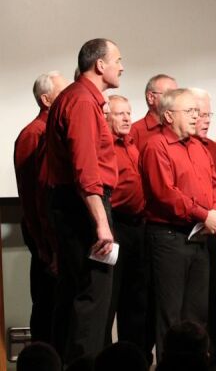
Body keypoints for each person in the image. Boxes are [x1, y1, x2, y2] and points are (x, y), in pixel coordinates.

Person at [46, 38, 123, 364]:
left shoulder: (80, 99)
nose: (121, 66)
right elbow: (85, 170)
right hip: (82, 207)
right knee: (92, 296)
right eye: (118, 60)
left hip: (76, 204)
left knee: (79, 294)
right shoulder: (79, 101)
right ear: (100, 64)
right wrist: (101, 223)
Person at [140, 88, 216, 359]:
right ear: (167, 115)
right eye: (189, 111)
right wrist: (204, 215)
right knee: (171, 313)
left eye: (197, 111)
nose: (196, 116)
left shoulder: (199, 147)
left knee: (197, 312)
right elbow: (165, 193)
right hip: (169, 238)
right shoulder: (156, 147)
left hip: (199, 237)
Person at [14, 71, 67, 342]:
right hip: (44, 236)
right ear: (46, 100)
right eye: (62, 92)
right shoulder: (33, 135)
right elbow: (31, 195)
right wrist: (45, 247)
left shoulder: (54, 131)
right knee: (47, 303)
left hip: (55, 235)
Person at [104, 95, 148, 355]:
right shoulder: (105, 147)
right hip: (115, 225)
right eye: (120, 114)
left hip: (137, 227)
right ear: (106, 117)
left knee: (136, 299)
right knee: (111, 298)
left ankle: (135, 357)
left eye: (129, 113)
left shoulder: (131, 145)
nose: (127, 118)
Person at [190, 87, 216, 366]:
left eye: (208, 114)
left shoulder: (212, 147)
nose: (206, 119)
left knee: (214, 298)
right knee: (191, 304)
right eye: (200, 114)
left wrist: (215, 212)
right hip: (180, 233)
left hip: (210, 230)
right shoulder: (167, 146)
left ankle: (213, 358)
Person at [130, 74, 177, 151]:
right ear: (151, 97)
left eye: (176, 95)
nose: (175, 99)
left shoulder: (180, 128)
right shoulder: (133, 132)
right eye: (169, 94)